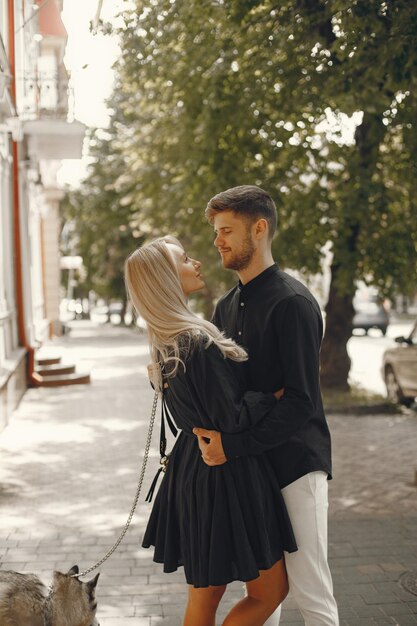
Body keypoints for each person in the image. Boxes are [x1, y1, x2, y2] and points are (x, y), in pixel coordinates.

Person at [124, 236, 297, 626]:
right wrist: (271, 395)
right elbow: (232, 417)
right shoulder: (195, 340)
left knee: (204, 600)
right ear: (166, 278)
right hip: (225, 471)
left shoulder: (166, 342)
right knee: (270, 592)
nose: (197, 262)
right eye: (185, 259)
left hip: (192, 469)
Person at [193, 185, 340, 626]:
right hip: (250, 468)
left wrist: (233, 447)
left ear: (259, 229)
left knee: (310, 590)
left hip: (295, 465)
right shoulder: (226, 305)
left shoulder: (293, 303)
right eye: (216, 231)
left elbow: (300, 403)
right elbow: (226, 392)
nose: (217, 241)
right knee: (262, 592)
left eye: (226, 230)